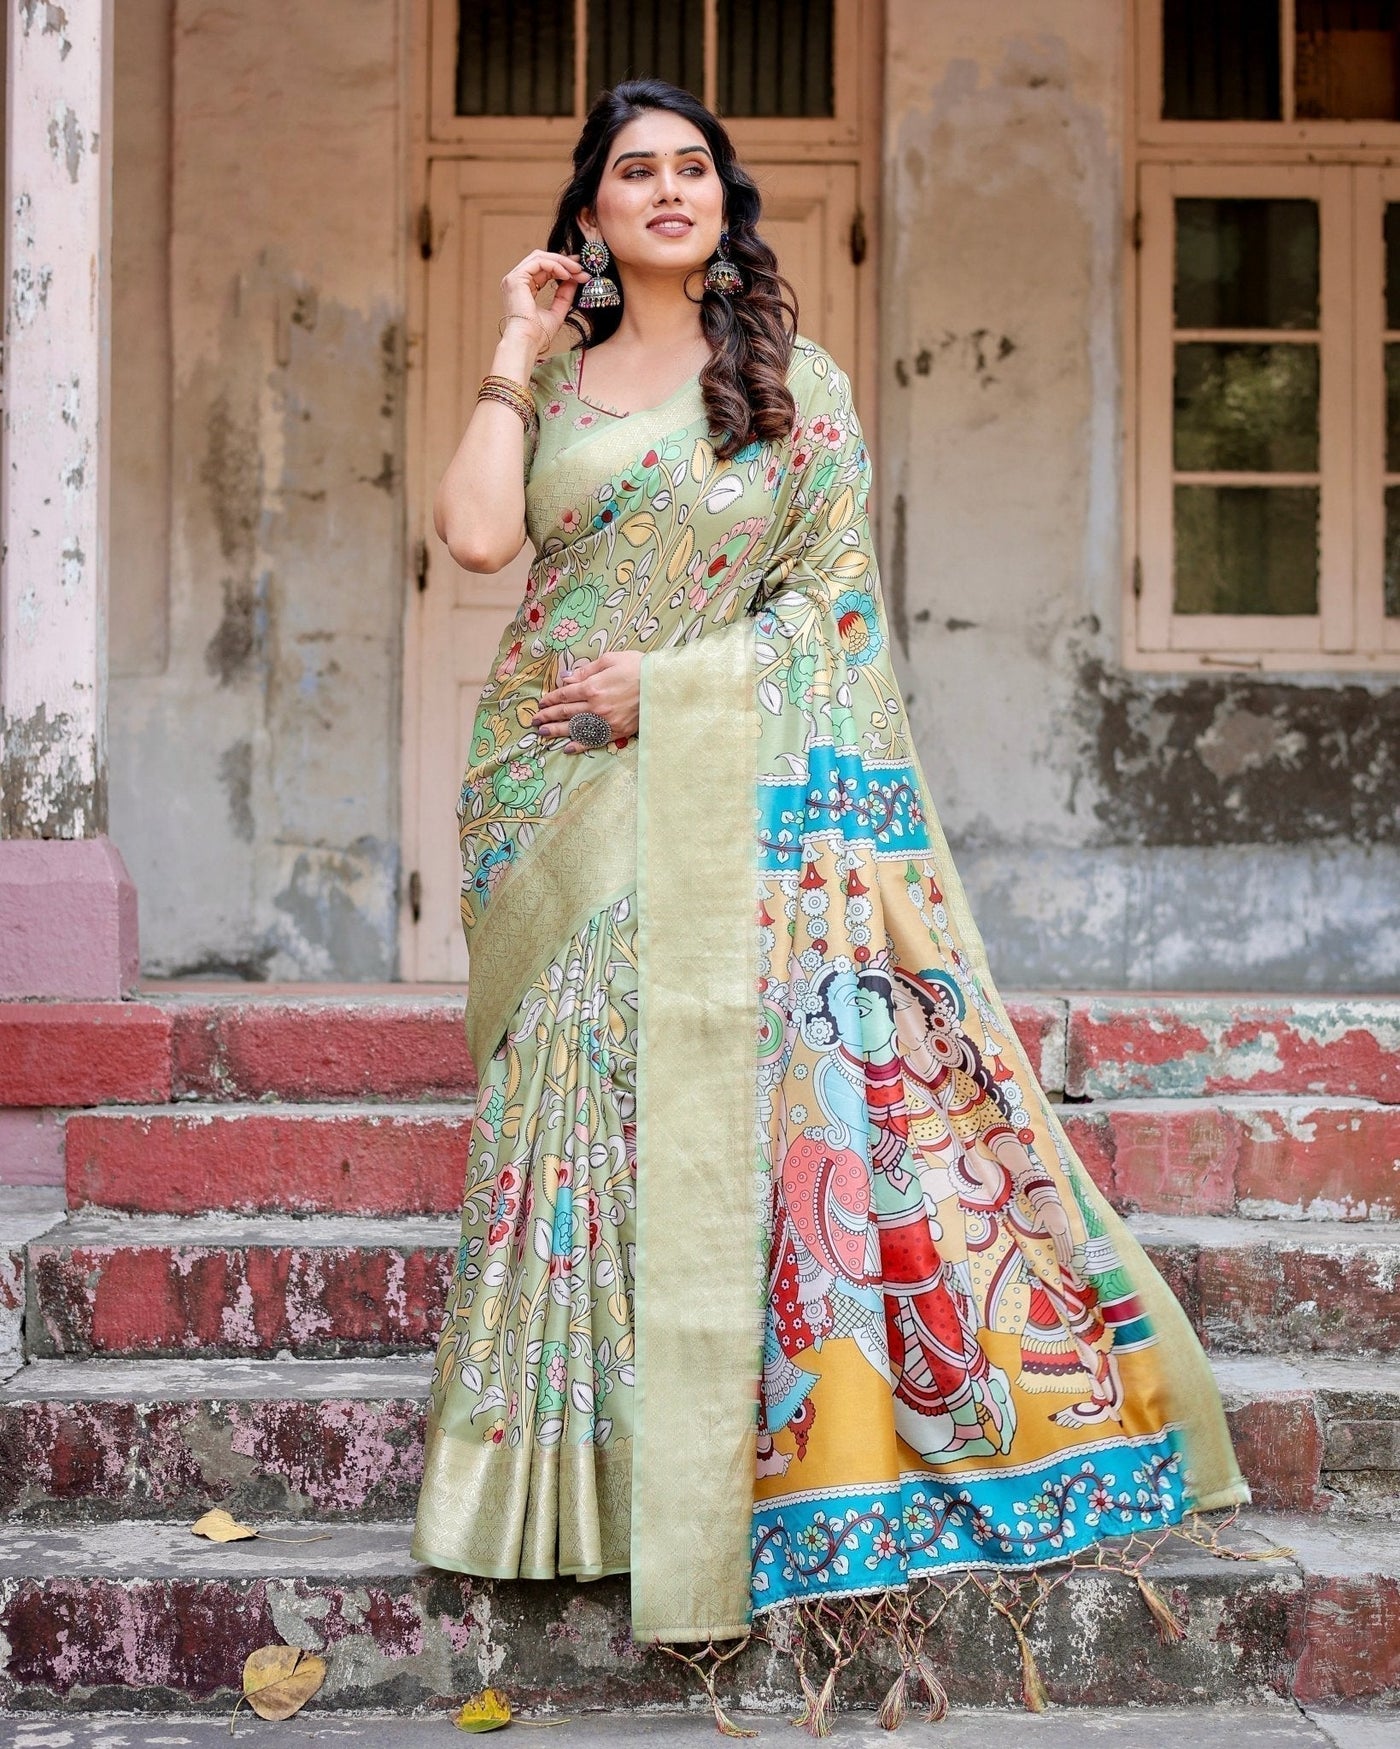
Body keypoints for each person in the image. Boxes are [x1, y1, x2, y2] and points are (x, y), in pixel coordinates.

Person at [410, 77, 1249, 1657]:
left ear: (727, 202)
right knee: (568, 1109)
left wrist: (671, 692)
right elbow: (471, 538)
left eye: (693, 171)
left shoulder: (799, 389)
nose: (667, 192)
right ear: (588, 216)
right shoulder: (562, 378)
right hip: (540, 788)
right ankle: (560, 1485)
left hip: (702, 776)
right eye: (632, 175)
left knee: (695, 1109)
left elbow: (838, 624)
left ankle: (698, 1468)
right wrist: (514, 348)